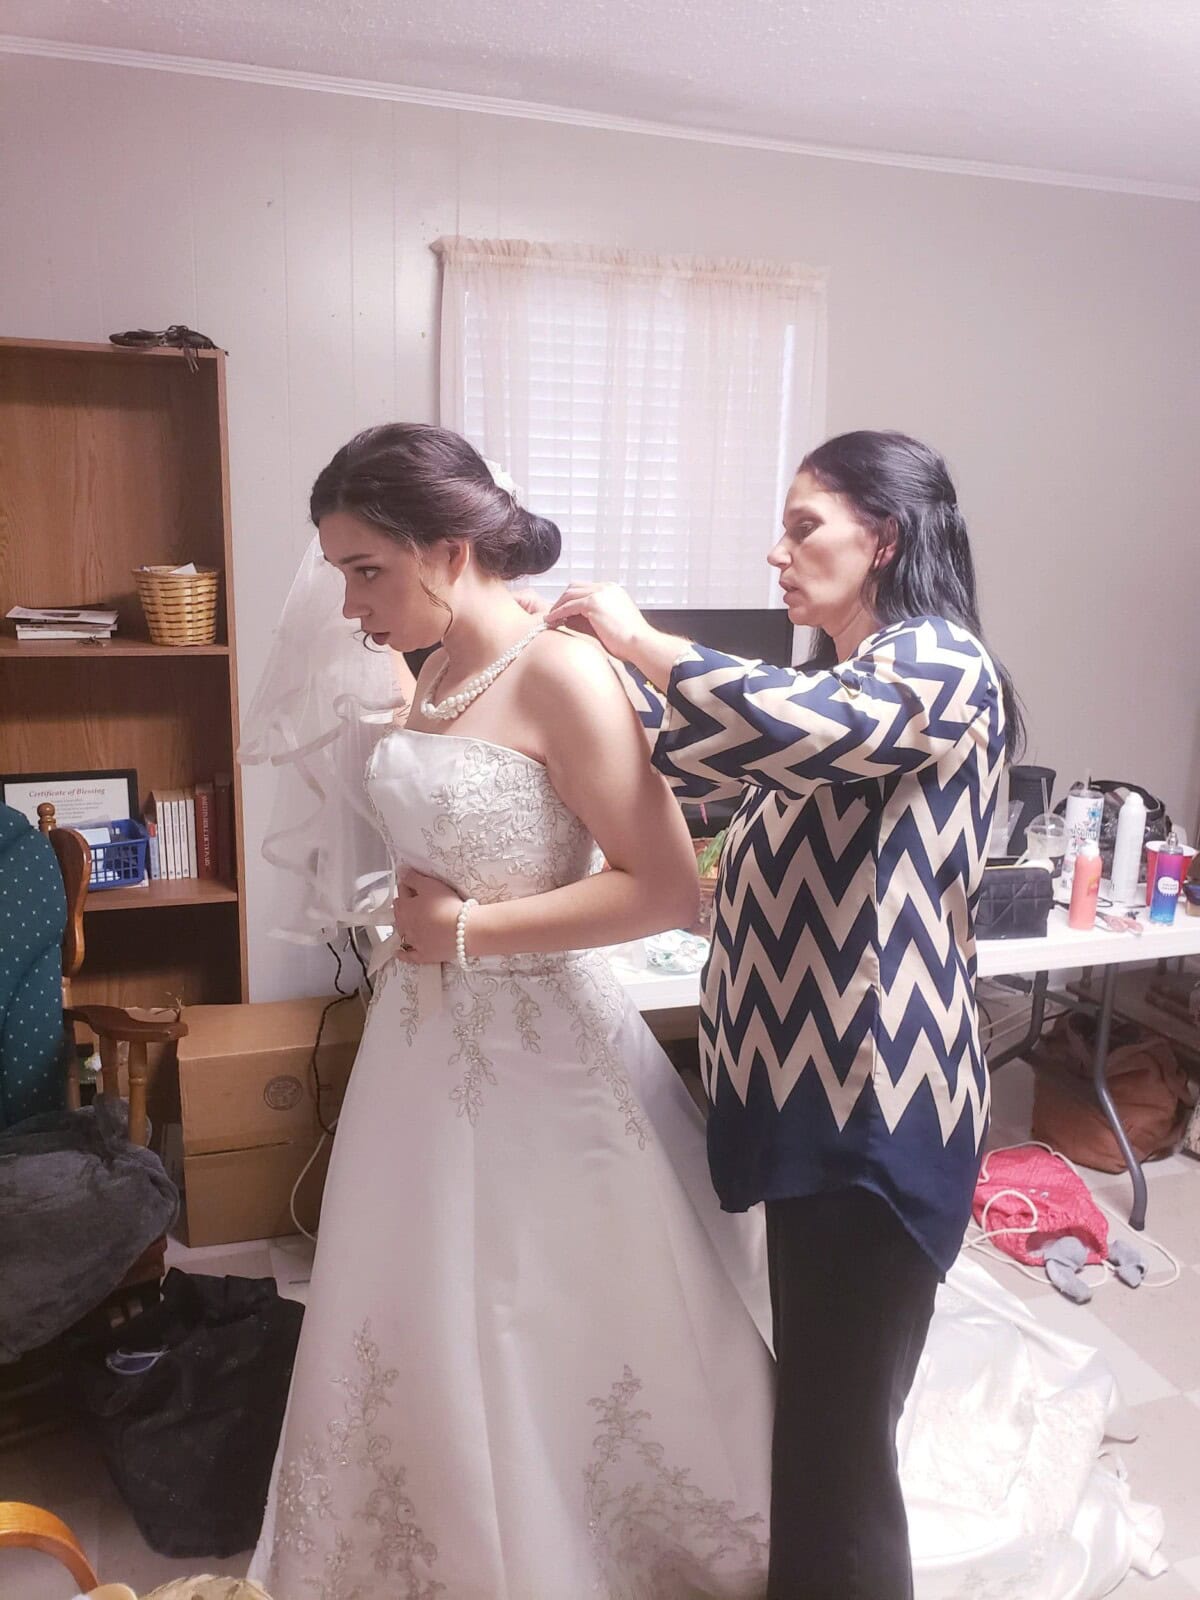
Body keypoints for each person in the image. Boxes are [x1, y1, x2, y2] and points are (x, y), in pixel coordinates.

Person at [241, 424, 1163, 1600]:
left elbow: (785, 745)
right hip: (799, 1097)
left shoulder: (940, 666)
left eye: (802, 526)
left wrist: (630, 641)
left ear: (883, 537)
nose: (776, 554)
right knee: (819, 1416)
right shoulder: (829, 683)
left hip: (879, 1105)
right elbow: (689, 777)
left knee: (836, 1448)